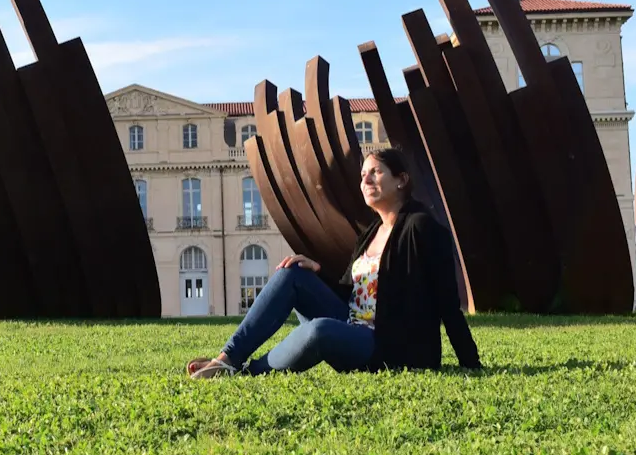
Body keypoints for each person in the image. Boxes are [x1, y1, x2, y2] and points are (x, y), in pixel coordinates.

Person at [186, 147, 481, 378]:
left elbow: (447, 301)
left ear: (401, 180)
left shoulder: (422, 227)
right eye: (363, 175)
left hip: (389, 345)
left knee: (320, 330)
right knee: (292, 273)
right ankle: (228, 358)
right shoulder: (371, 232)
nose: (365, 180)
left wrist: (470, 362)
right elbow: (350, 293)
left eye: (376, 172)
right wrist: (318, 272)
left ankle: (247, 373)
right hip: (352, 326)